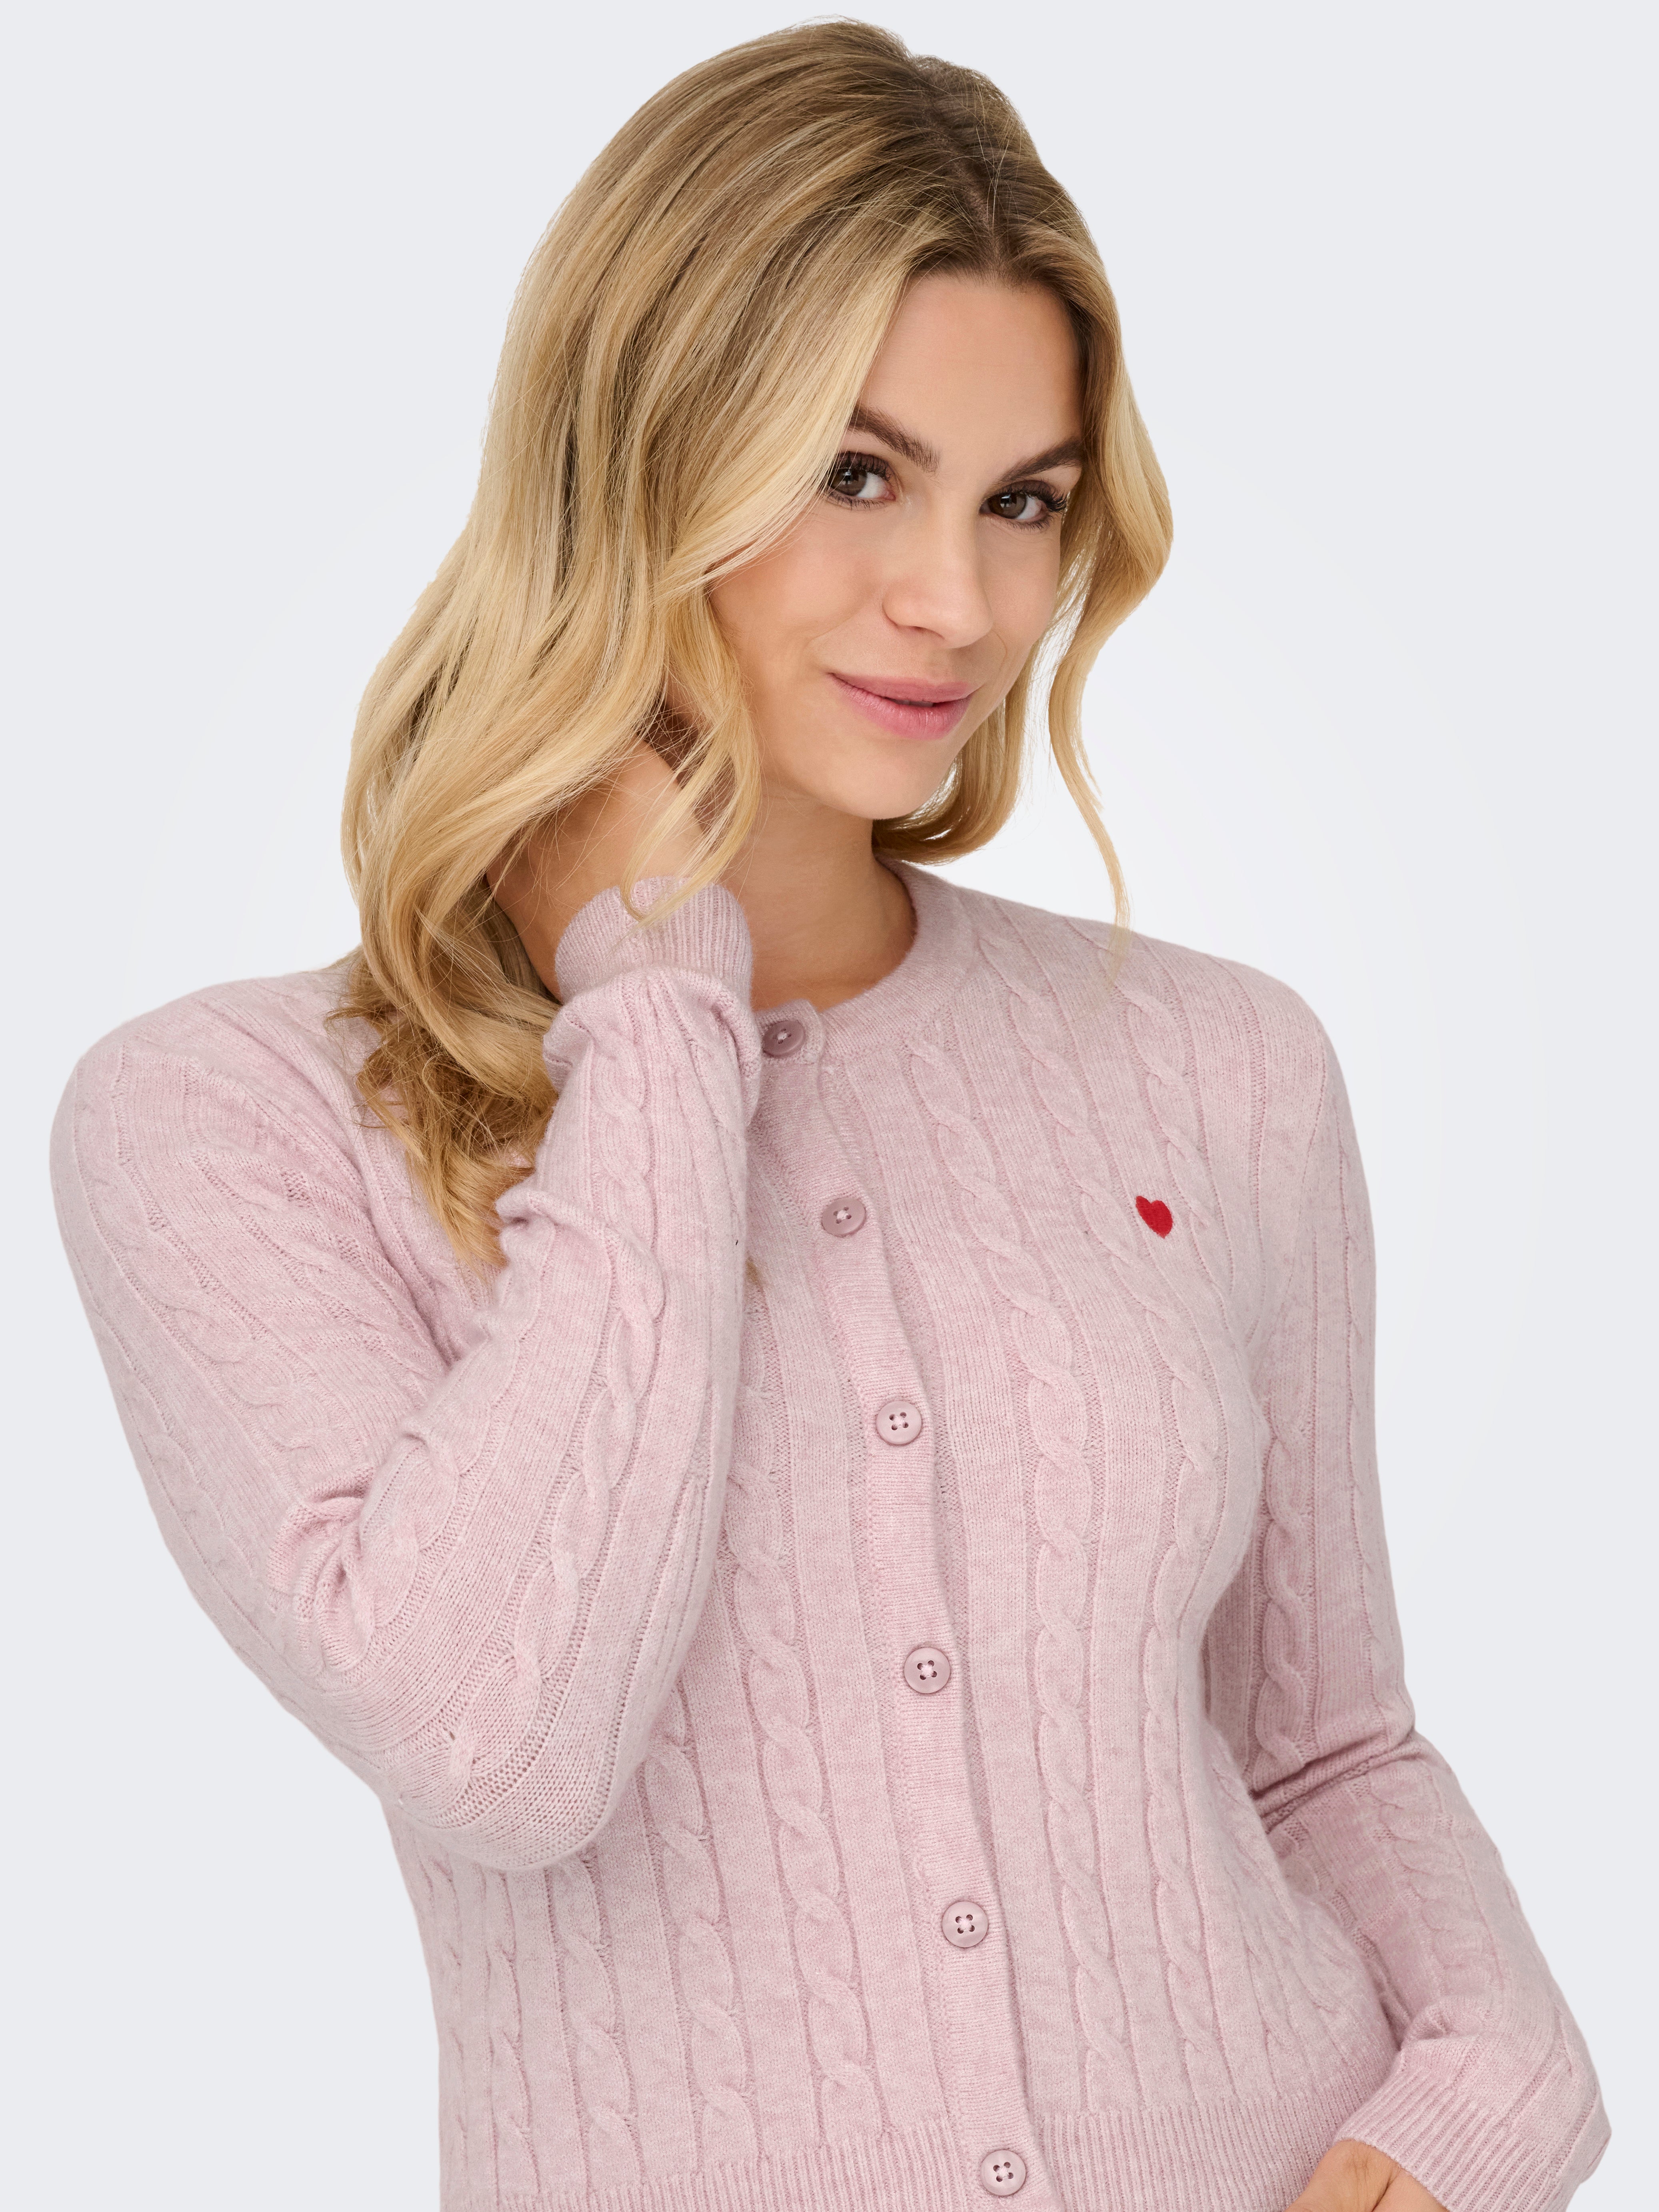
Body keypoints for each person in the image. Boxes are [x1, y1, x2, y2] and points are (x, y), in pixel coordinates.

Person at [50, 22, 1607, 2212]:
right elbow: (498, 1745)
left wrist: (1494, 2090)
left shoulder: (1221, 1066)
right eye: (854, 475)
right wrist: (654, 1005)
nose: (957, 603)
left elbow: (1325, 1742)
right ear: (640, 458)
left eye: (1022, 501)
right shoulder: (232, 1122)